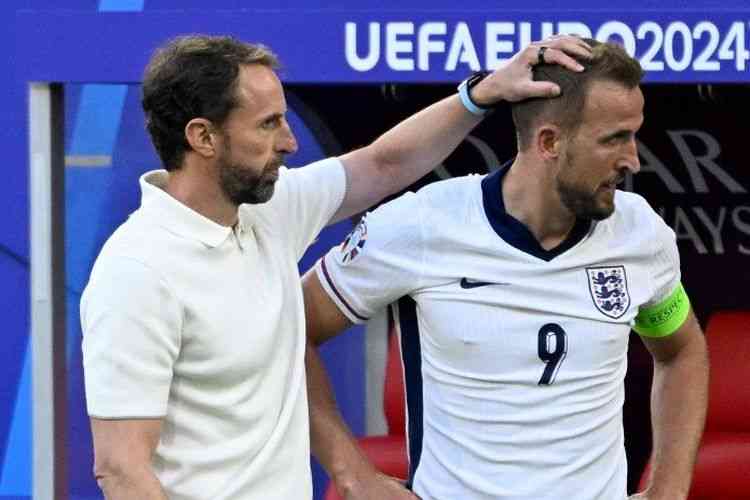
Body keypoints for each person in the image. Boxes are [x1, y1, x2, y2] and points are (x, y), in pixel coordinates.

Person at [80, 34, 590, 500]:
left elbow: (382, 164)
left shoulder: (267, 210)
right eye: (267, 124)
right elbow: (122, 470)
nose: (289, 141)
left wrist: (481, 94)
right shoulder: (138, 270)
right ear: (203, 137)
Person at [303, 39, 709, 500]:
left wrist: (670, 488)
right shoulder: (421, 224)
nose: (632, 159)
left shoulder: (640, 233)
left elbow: (680, 352)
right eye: (614, 138)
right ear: (549, 142)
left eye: (634, 135)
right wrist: (352, 472)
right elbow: (292, 328)